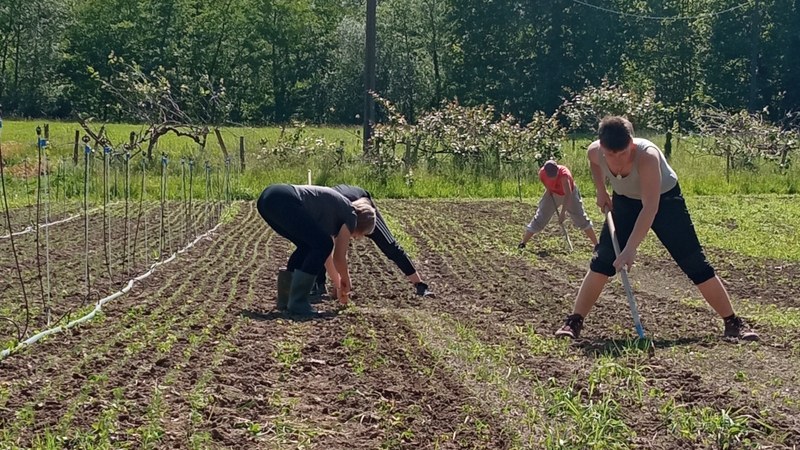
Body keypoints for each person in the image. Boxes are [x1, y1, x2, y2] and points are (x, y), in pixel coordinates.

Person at [554, 116, 758, 341]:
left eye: (622, 153)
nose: (617, 160)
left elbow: (650, 208)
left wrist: (631, 248)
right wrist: (601, 190)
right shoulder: (595, 151)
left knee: (694, 262)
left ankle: (733, 322)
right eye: (611, 155)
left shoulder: (647, 156)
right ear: (602, 147)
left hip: (664, 202)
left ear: (631, 143)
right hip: (624, 201)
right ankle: (574, 321)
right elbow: (594, 164)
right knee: (603, 260)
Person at [256, 184, 376, 316]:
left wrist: (338, 283)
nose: (356, 237)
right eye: (360, 235)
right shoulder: (351, 216)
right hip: (283, 199)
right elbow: (339, 257)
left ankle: (285, 300)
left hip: (267, 199)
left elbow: (330, 256)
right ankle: (298, 302)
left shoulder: (339, 210)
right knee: (323, 244)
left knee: (307, 245)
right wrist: (345, 280)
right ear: (361, 225)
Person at [312, 184, 434, 298]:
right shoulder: (333, 216)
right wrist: (339, 283)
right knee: (322, 245)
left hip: (362, 205)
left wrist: (341, 283)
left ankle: (419, 284)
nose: (356, 239)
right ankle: (319, 284)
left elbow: (340, 257)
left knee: (389, 245)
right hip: (335, 206)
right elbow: (334, 254)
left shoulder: (368, 218)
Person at [518, 160, 598, 249]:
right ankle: (523, 243)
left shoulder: (564, 175)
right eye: (550, 175)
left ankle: (597, 245)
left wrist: (562, 213)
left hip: (569, 194)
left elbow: (568, 194)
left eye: (554, 175)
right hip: (553, 193)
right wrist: (548, 193)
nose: (552, 177)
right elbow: (546, 184)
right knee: (541, 216)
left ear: (557, 170)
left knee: (580, 217)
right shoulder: (542, 173)